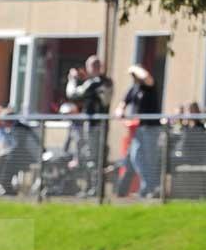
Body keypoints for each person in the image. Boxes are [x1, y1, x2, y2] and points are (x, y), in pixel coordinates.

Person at [66, 55, 113, 195]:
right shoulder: (105, 81)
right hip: (99, 124)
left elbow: (73, 94)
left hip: (95, 125)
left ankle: (94, 189)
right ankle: (92, 188)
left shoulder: (96, 82)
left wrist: (72, 79)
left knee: (93, 157)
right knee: (93, 156)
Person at [115, 64, 161, 197]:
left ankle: (150, 189)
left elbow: (146, 77)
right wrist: (120, 111)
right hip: (138, 129)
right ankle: (146, 188)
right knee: (135, 157)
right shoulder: (133, 89)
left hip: (151, 128)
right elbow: (123, 103)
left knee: (149, 159)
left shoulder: (150, 86)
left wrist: (134, 68)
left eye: (135, 74)